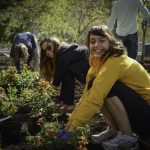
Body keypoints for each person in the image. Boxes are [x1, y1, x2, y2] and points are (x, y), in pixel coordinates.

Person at [65, 25, 150, 150]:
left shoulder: (115, 61)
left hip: (147, 118)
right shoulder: (97, 63)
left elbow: (95, 98)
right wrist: (69, 125)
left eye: (102, 40)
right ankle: (115, 130)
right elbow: (87, 96)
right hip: (140, 113)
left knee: (108, 88)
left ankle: (128, 137)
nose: (96, 45)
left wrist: (73, 129)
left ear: (110, 42)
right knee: (97, 86)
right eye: (92, 41)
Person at [40, 37, 89, 112]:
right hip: (88, 73)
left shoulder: (63, 55)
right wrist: (62, 101)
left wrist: (43, 96)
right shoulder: (63, 53)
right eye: (45, 51)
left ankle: (69, 105)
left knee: (105, 96)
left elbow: (56, 82)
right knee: (67, 75)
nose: (48, 52)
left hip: (96, 69)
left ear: (55, 44)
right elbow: (66, 81)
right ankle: (69, 105)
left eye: (49, 48)